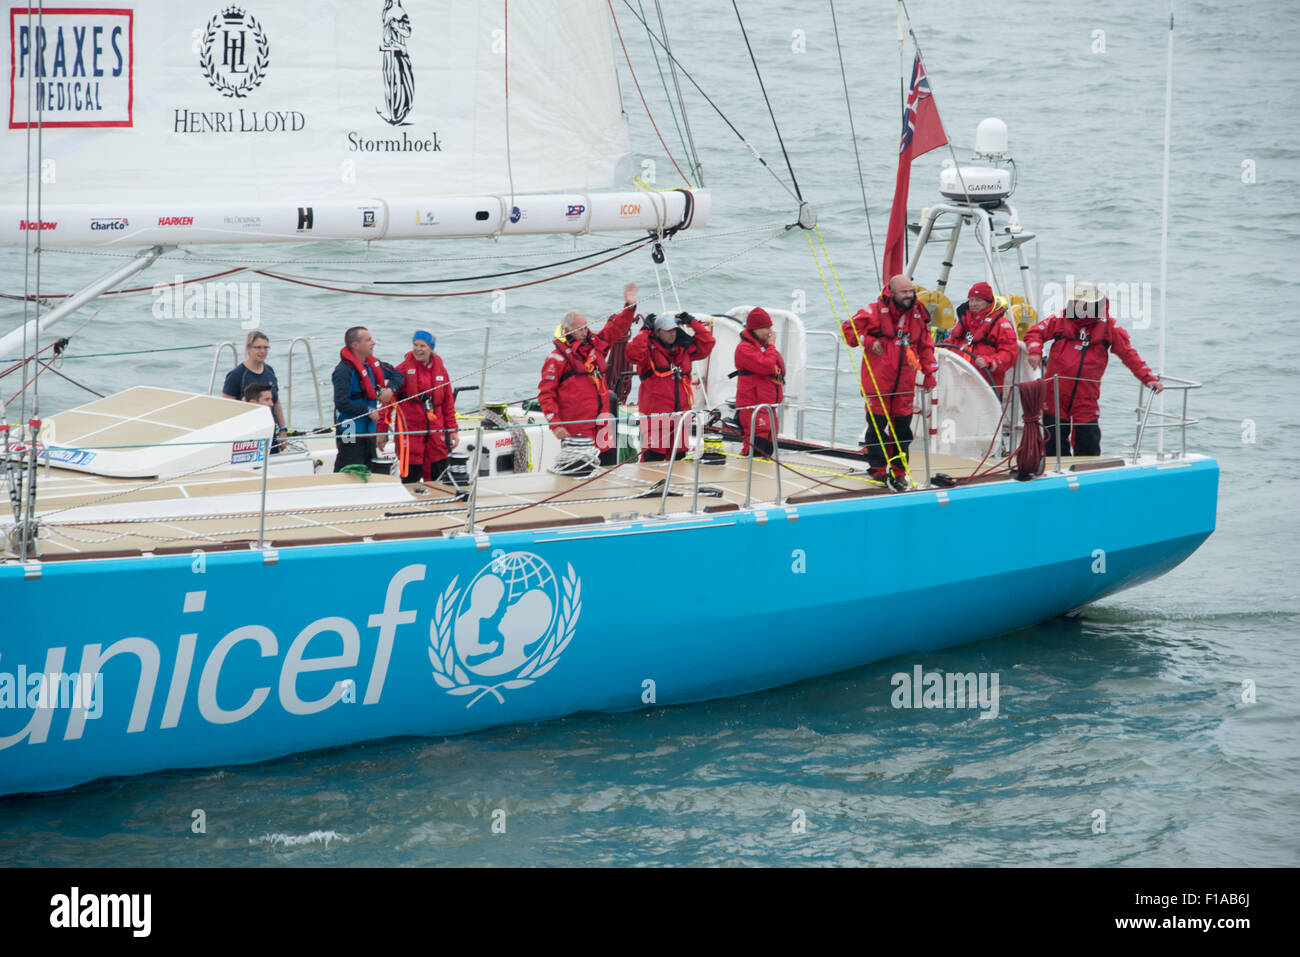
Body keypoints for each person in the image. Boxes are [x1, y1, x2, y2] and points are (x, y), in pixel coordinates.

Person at [1025, 280, 1163, 456]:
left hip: (1086, 394)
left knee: (1088, 441)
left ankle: (1087, 476)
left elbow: (1129, 354)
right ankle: (1055, 474)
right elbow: (1034, 333)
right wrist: (1035, 351)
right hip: (1055, 392)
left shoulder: (1109, 327)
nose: (1076, 305)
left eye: (1081, 303)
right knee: (1053, 443)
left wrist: (1148, 378)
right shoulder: (1059, 319)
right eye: (1074, 301)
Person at [841, 275, 938, 490]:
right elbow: (848, 330)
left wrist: (930, 373)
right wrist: (868, 341)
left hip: (904, 384)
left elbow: (926, 345)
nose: (909, 296)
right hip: (878, 383)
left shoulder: (918, 314)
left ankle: (899, 472)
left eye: (910, 292)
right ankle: (877, 469)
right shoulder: (872, 311)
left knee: (902, 431)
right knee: (877, 428)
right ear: (891, 292)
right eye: (904, 292)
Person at [538, 282, 640, 467]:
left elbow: (614, 329)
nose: (585, 332)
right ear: (568, 331)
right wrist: (556, 425)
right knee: (580, 472)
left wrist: (630, 307)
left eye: (586, 327)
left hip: (602, 424)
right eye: (580, 329)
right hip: (578, 429)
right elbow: (546, 395)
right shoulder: (556, 360)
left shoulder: (595, 347)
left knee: (607, 471)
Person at [625, 308, 716, 461]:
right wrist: (644, 331)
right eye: (667, 331)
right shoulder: (648, 351)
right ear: (658, 331)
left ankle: (675, 484)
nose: (672, 334)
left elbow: (708, 343)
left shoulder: (683, 349)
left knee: (679, 456)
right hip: (656, 415)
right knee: (654, 456)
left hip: (680, 414)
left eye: (674, 330)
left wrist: (693, 323)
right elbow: (632, 353)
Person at [332, 326, 403, 473]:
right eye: (369, 340)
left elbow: (397, 375)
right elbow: (340, 402)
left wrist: (391, 390)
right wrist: (367, 410)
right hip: (350, 430)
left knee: (369, 468)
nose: (373, 342)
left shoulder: (372, 365)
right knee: (348, 467)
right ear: (356, 345)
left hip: (369, 431)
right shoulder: (343, 371)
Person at [391, 330, 457, 484]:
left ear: (431, 348)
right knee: (410, 480)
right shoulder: (402, 370)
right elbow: (388, 403)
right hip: (411, 434)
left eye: (423, 345)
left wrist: (452, 430)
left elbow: (448, 403)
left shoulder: (441, 370)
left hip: (435, 435)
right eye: (415, 344)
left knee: (438, 478)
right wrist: (381, 432)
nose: (418, 349)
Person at [732, 306, 785, 457]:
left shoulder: (763, 347)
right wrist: (771, 346)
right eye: (766, 328)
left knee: (768, 449)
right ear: (755, 329)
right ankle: (747, 477)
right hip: (753, 405)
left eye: (770, 327)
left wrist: (769, 348)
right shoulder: (744, 349)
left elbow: (781, 368)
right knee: (754, 447)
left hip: (768, 406)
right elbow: (766, 366)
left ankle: (760, 478)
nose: (770, 331)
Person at [949, 281, 1018, 393]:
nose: (974, 303)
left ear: (988, 302)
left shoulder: (1001, 324)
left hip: (986, 388)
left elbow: (1010, 354)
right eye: (971, 300)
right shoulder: (964, 321)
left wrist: (989, 361)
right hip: (959, 385)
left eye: (978, 300)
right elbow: (952, 342)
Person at [222, 330, 286, 439]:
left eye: (266, 348)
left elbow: (276, 402)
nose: (262, 351)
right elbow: (226, 409)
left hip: (271, 431)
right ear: (248, 348)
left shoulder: (269, 371)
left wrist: (283, 429)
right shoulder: (236, 375)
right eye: (258, 347)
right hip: (248, 435)